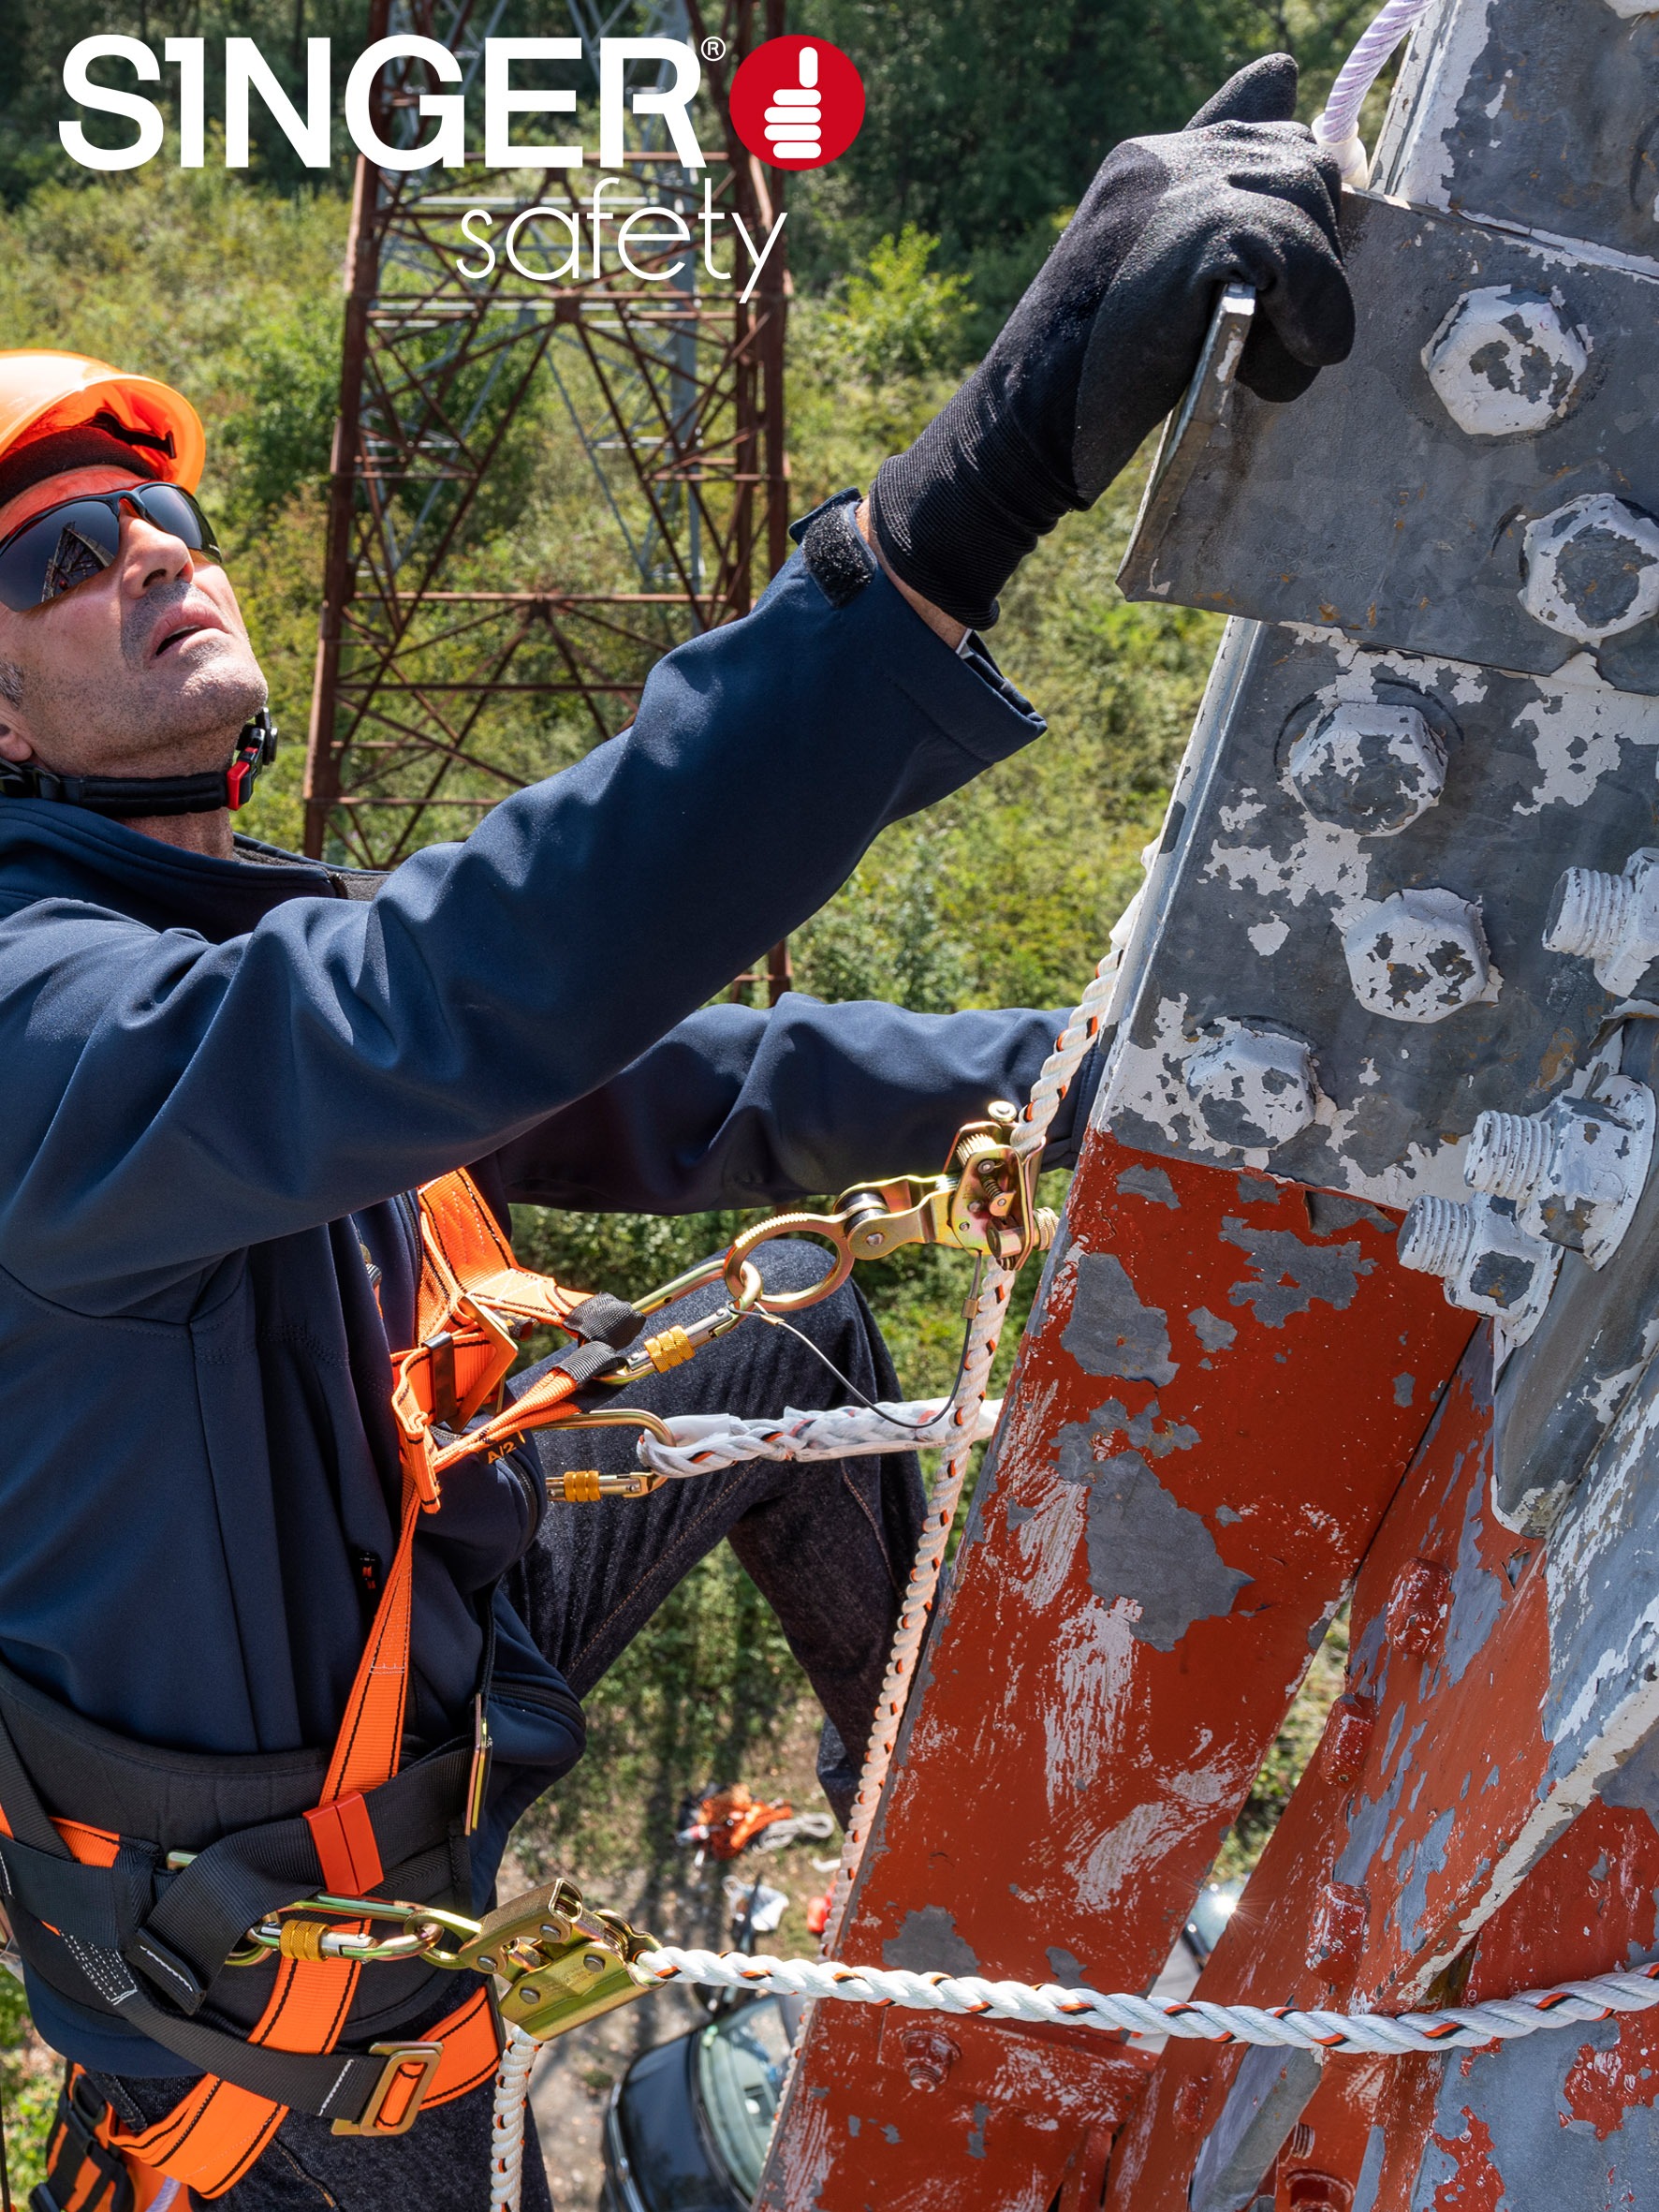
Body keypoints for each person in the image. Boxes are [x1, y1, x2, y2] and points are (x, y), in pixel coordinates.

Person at [0, 54, 1350, 2212]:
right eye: (63, 553)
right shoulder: (39, 1021)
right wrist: (961, 501)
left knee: (783, 1334)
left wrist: (1089, 1075)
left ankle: (951, 1875)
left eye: (162, 516)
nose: (153, 548)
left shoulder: (193, 936)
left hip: (419, 1649)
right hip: (297, 2018)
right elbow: (460, 985)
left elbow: (669, 1086)